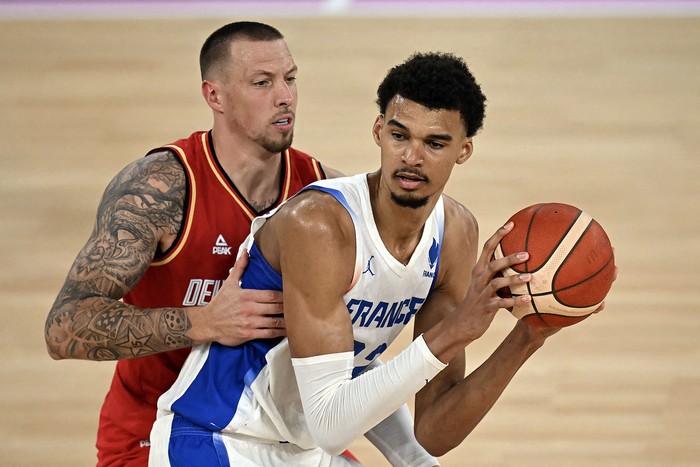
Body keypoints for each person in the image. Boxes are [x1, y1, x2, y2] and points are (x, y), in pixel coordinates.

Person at [150, 51, 612, 466]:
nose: (411, 157)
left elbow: (433, 431)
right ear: (378, 132)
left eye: (435, 143)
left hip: (302, 449)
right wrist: (458, 329)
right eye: (399, 135)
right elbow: (333, 426)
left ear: (463, 150)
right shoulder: (320, 226)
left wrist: (528, 337)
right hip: (215, 439)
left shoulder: (455, 235)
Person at [44, 21, 377, 466]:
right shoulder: (161, 188)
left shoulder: (322, 192)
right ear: (215, 96)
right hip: (157, 429)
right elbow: (64, 328)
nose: (286, 97)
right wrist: (204, 322)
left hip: (275, 429)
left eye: (290, 78)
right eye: (263, 83)